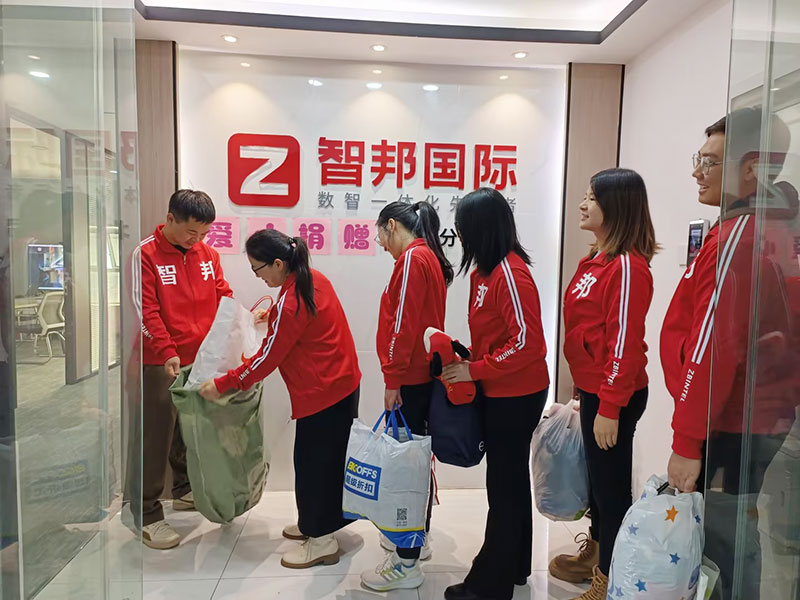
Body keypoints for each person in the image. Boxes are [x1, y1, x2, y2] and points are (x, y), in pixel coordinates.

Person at [661, 109, 797, 599]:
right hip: (748, 416)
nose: (698, 172)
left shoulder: (741, 235)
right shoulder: (765, 225)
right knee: (732, 540)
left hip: (730, 421)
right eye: (698, 159)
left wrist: (686, 439)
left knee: (720, 547)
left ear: (752, 167)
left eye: (710, 161)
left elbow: (712, 345)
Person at [199, 229, 361, 570]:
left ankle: (322, 539)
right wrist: (270, 316)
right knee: (326, 463)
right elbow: (299, 324)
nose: (258, 277)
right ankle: (314, 523)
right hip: (340, 385)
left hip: (324, 393)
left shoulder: (291, 301)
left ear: (277, 263)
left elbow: (267, 358)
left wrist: (225, 384)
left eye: (258, 269)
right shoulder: (311, 280)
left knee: (315, 466)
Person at [440, 187, 550, 600]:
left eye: (464, 228)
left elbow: (529, 343)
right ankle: (515, 565)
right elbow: (498, 336)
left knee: (503, 487)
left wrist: (475, 369)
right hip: (500, 389)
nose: (460, 236)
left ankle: (490, 583)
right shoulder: (483, 274)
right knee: (509, 481)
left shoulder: (510, 273)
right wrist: (472, 359)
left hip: (517, 395)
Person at [551, 168, 656, 600]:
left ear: (616, 206)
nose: (582, 204)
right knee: (597, 485)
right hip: (596, 389)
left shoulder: (627, 266)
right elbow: (588, 331)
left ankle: (610, 581)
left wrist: (610, 406)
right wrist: (583, 387)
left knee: (612, 494)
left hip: (616, 395)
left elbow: (624, 344)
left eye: (591, 198)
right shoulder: (597, 259)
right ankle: (596, 554)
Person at [360, 201, 453, 592]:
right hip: (419, 377)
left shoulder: (414, 259)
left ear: (392, 225)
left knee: (406, 467)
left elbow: (402, 324)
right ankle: (415, 539)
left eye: (380, 234)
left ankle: (406, 561)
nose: (381, 244)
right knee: (414, 462)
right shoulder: (426, 257)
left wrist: (392, 378)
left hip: (411, 380)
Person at [136, 189, 232, 549]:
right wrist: (166, 351)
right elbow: (145, 311)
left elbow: (223, 295)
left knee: (188, 429)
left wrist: (239, 321)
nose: (198, 240)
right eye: (192, 231)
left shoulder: (208, 254)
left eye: (204, 233)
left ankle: (183, 489)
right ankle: (146, 513)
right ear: (170, 219)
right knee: (156, 435)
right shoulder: (146, 254)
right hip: (161, 361)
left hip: (201, 358)